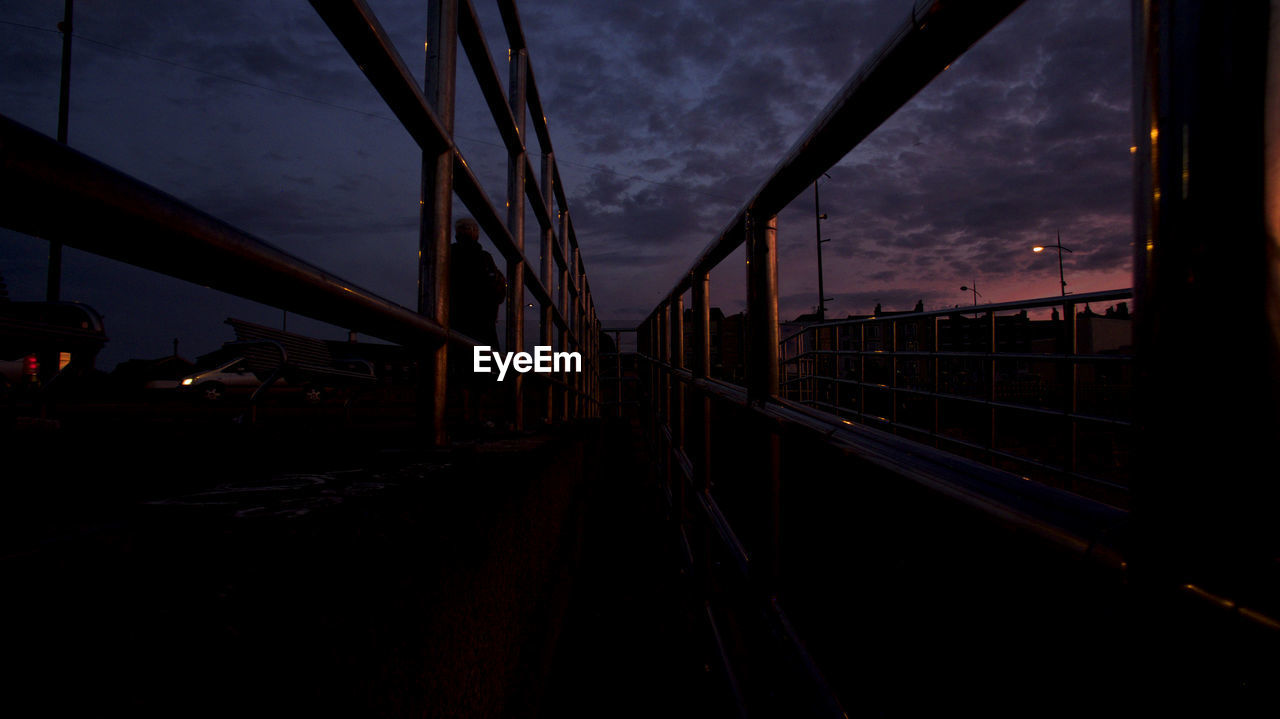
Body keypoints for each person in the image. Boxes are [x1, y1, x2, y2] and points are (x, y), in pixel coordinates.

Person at [448, 217, 505, 426]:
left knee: (459, 368)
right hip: (481, 322)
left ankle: (461, 415)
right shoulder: (484, 258)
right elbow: (498, 289)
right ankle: (476, 415)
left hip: (455, 320)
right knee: (480, 373)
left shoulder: (448, 254)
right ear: (475, 234)